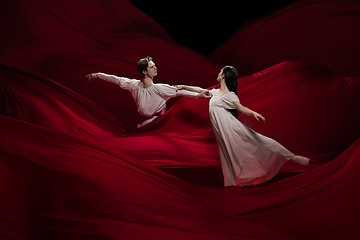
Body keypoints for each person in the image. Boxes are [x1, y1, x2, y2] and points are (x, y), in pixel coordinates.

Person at [176, 66, 310, 186]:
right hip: (221, 130)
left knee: (258, 140)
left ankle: (293, 157)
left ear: (223, 75)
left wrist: (253, 113)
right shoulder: (216, 92)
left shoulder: (230, 95)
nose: (218, 73)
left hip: (230, 126)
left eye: (220, 72)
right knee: (228, 152)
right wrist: (183, 86)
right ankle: (232, 182)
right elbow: (200, 90)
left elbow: (240, 107)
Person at [86, 56, 210, 128]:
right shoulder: (133, 85)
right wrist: (97, 75)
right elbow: (115, 79)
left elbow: (180, 92)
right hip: (144, 124)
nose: (156, 68)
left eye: (154, 66)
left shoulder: (159, 88)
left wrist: (199, 95)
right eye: (152, 67)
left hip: (161, 125)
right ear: (144, 72)